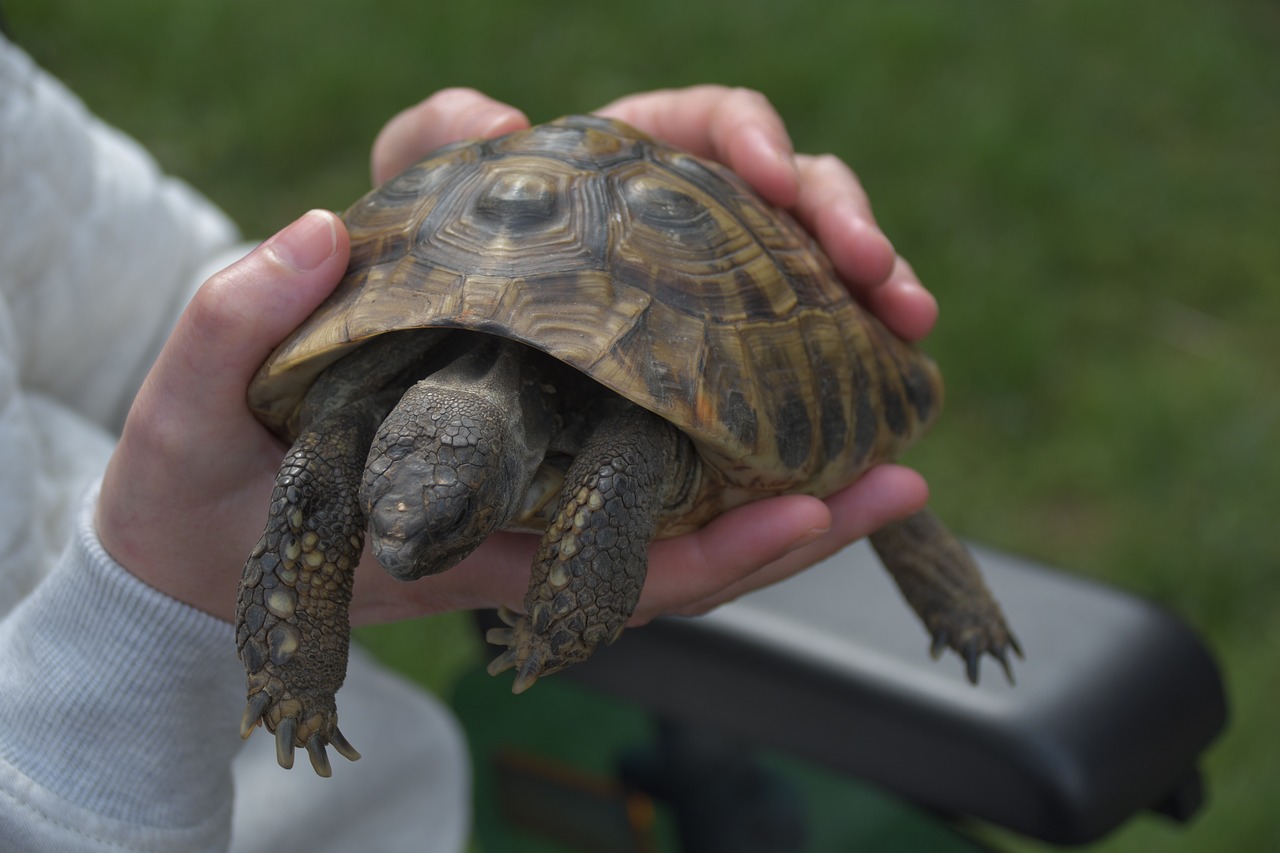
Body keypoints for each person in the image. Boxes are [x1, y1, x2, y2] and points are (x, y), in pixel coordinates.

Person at [0, 31, 937, 853]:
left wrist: (470, 202)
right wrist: (178, 607)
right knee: (333, 452)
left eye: (439, 519)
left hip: (400, 798)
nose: (401, 550)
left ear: (489, 486)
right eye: (392, 512)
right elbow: (323, 465)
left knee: (842, 485)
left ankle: (923, 552)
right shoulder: (351, 440)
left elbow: (144, 322)